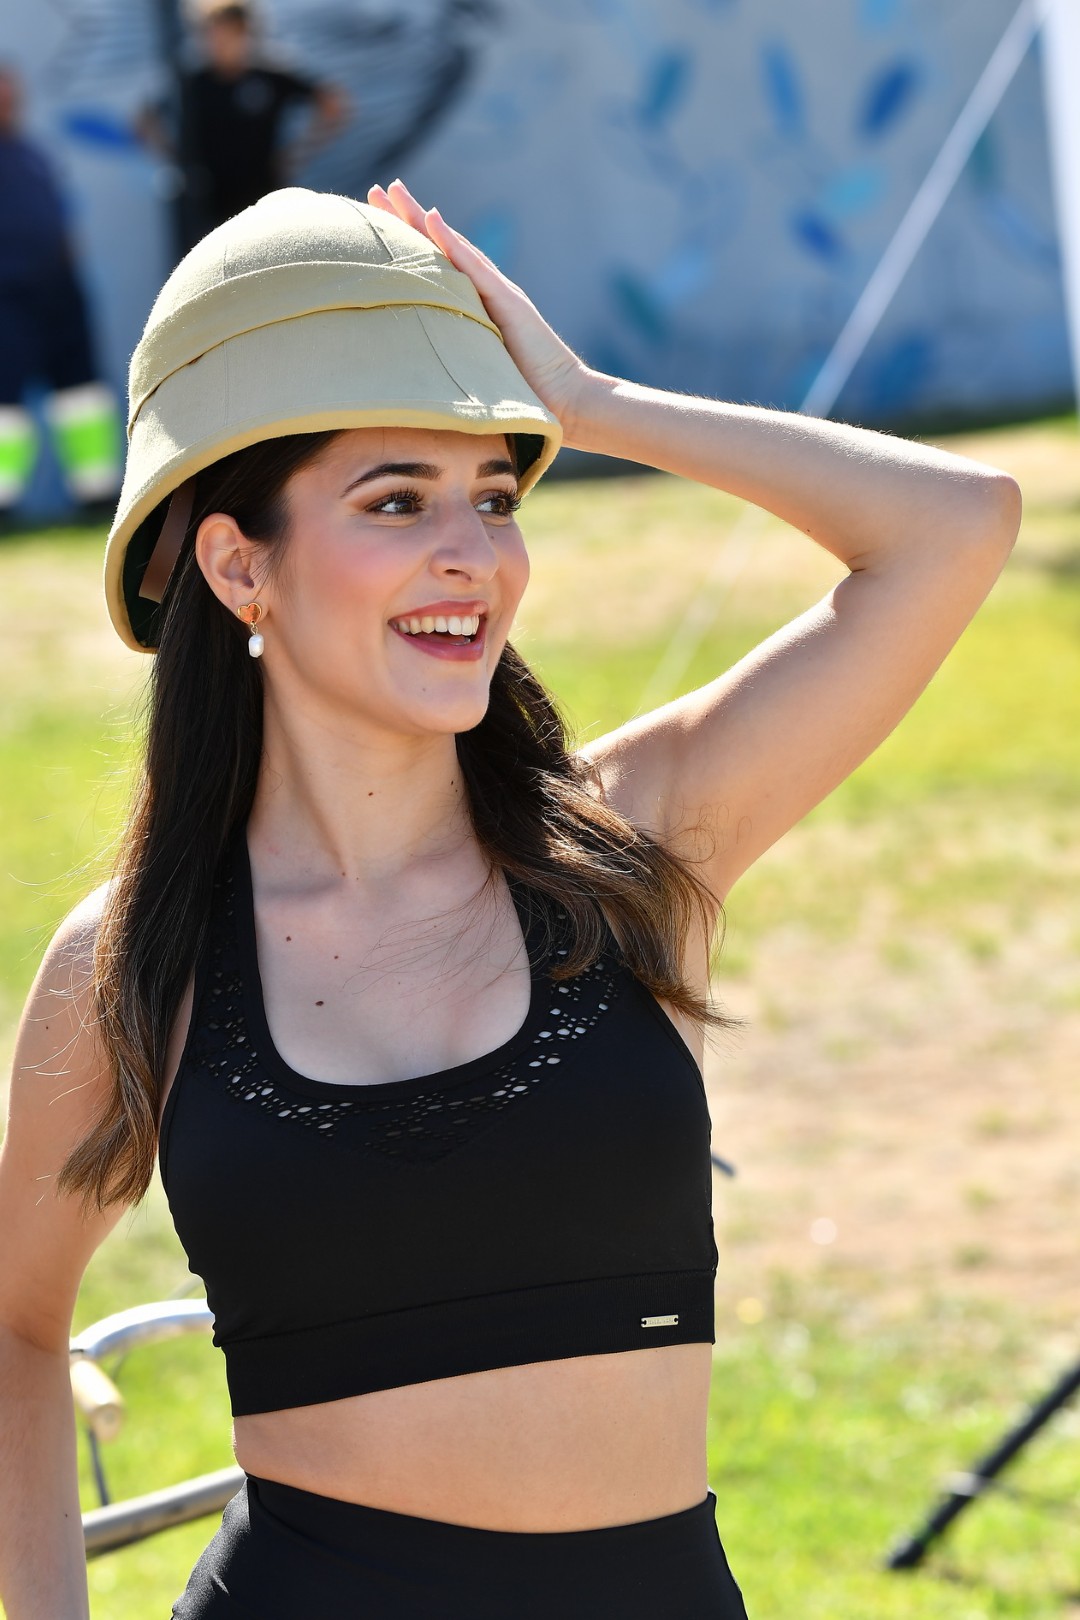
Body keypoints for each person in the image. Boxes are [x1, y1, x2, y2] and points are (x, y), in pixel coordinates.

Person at [0, 181, 1021, 1618]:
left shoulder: (632, 846)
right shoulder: (134, 959)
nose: (473, 556)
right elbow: (16, 1319)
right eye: (395, 500)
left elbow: (955, 527)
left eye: (493, 496)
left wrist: (594, 404)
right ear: (238, 563)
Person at [0, 63, 122, 524]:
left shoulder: (33, 153)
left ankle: (96, 494)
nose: (7, 99)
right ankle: (3, 504)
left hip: (58, 291)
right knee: (4, 399)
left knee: (81, 393)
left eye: (10, 90)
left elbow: (60, 219)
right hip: (8, 294)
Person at [139, 0, 345, 250]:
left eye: (227, 33)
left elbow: (332, 103)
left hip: (262, 199)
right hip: (206, 205)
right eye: (211, 34)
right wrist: (178, 158)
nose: (218, 42)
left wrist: (298, 153)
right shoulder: (193, 82)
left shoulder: (270, 76)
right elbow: (145, 119)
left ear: (245, 33)